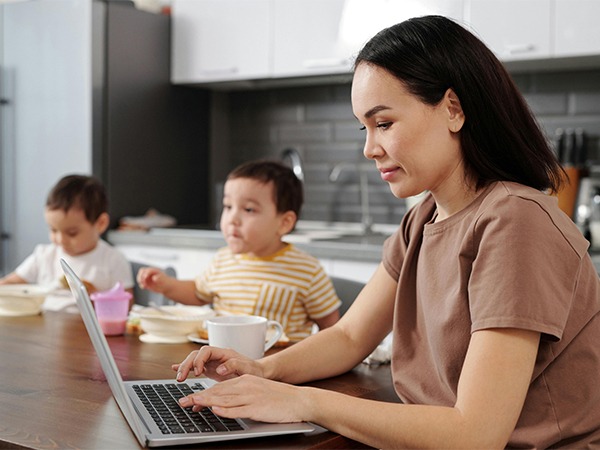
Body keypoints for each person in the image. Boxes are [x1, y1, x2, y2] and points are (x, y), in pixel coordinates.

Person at [170, 16, 600, 449]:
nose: (369, 148)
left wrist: (301, 402)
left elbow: (475, 435)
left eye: (384, 123)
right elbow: (349, 336)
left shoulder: (515, 222)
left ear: (453, 108)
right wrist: (261, 370)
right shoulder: (424, 218)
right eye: (365, 127)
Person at [137, 160, 341, 341]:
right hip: (221, 362)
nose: (232, 219)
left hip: (279, 369)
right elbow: (198, 294)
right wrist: (166, 285)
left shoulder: (307, 270)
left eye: (249, 209)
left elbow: (332, 330)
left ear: (284, 222)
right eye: (227, 206)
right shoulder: (222, 260)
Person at [0, 174, 134, 294]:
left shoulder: (113, 260)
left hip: (83, 322)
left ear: (101, 223)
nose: (60, 240)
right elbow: (10, 283)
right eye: (53, 230)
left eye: (72, 233)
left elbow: (125, 307)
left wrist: (94, 295)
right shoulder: (44, 256)